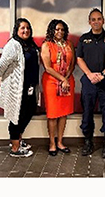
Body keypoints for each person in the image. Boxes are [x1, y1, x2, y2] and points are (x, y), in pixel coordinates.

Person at [75, 8, 105, 158]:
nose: (96, 22)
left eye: (99, 19)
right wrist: (89, 74)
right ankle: (88, 142)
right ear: (89, 22)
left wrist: (103, 75)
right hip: (89, 82)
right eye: (93, 19)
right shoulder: (83, 39)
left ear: (103, 21)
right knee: (87, 112)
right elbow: (79, 58)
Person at [0, 18, 39, 158]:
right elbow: (0, 67)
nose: (25, 30)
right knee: (16, 117)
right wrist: (5, 75)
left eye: (28, 28)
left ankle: (18, 139)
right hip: (17, 89)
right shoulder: (13, 45)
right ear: (17, 30)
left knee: (29, 111)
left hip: (30, 87)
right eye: (22, 28)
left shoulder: (30, 45)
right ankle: (15, 148)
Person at [40, 19, 74, 156]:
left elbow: (72, 64)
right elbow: (47, 67)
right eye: (57, 29)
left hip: (67, 81)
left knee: (63, 113)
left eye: (62, 29)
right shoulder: (46, 45)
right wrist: (62, 79)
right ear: (52, 30)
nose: (60, 32)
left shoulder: (69, 44)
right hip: (51, 82)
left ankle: (60, 142)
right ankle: (52, 143)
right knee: (53, 114)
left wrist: (66, 78)